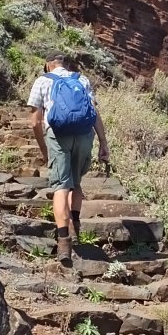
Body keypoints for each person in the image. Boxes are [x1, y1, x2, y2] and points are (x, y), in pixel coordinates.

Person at [27, 52, 110, 264]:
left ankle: (64, 242)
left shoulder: (42, 80)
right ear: (65, 64)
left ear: (48, 64)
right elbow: (93, 112)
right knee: (76, 183)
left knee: (61, 186)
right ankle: (76, 225)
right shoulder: (81, 79)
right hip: (84, 135)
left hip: (58, 135)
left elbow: (35, 122)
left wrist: (45, 148)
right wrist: (103, 142)